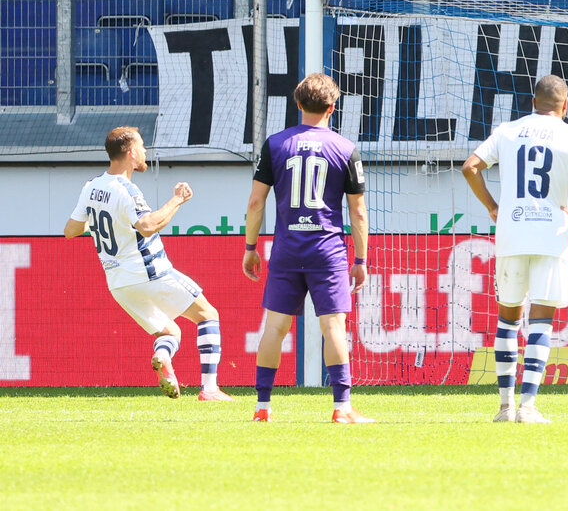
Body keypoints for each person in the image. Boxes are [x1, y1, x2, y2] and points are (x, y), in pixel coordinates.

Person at [462, 74, 568, 424]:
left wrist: (493, 207)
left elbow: (470, 167)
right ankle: (527, 408)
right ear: (565, 105)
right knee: (541, 320)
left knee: (507, 319)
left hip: (511, 233)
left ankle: (504, 407)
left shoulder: (507, 131)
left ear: (533, 102)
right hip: (551, 235)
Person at [64, 126, 233, 402]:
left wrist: (104, 219)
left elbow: (71, 230)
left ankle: (162, 356)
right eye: (142, 146)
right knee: (208, 315)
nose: (145, 152)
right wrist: (177, 199)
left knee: (170, 331)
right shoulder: (126, 189)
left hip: (118, 283)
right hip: (149, 272)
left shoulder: (91, 186)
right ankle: (210, 389)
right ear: (131, 153)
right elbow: (147, 226)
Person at [243, 73, 373, 424]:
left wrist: (250, 247)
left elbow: (255, 203)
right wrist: (361, 259)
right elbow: (358, 211)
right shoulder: (345, 148)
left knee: (275, 327)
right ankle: (342, 407)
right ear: (332, 108)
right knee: (333, 327)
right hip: (327, 251)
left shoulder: (275, 144)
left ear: (298, 104)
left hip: (287, 249)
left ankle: (262, 407)